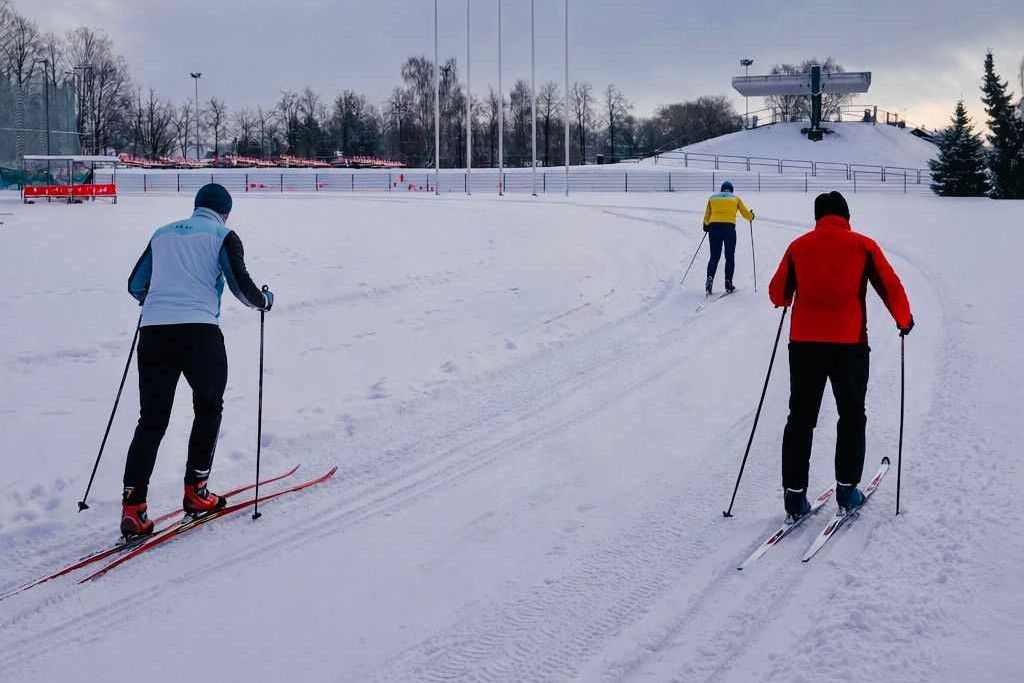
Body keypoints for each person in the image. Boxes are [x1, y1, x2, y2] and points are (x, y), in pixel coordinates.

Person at [120, 183, 274, 537]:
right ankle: (196, 491)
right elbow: (240, 286)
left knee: (151, 420)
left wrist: (159, 297)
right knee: (208, 407)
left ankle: (133, 507)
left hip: (154, 332)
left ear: (196, 206)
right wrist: (264, 301)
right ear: (225, 212)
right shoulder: (222, 235)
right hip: (199, 333)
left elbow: (135, 285)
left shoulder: (162, 234)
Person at [768, 191, 913, 518]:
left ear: (817, 216)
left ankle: (794, 495)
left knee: (800, 417)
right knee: (851, 415)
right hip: (849, 345)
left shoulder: (798, 246)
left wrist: (792, 295)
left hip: (803, 344)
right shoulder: (863, 245)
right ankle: (847, 490)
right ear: (846, 216)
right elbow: (890, 285)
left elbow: (778, 294)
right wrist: (904, 320)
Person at [702, 180, 754, 295]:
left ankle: (709, 279)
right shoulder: (735, 199)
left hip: (714, 228)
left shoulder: (712, 198)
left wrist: (706, 225)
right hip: (729, 229)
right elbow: (745, 214)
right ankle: (728, 282)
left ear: (722, 189)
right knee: (729, 256)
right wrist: (751, 216)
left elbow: (707, 214)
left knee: (714, 257)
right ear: (731, 190)